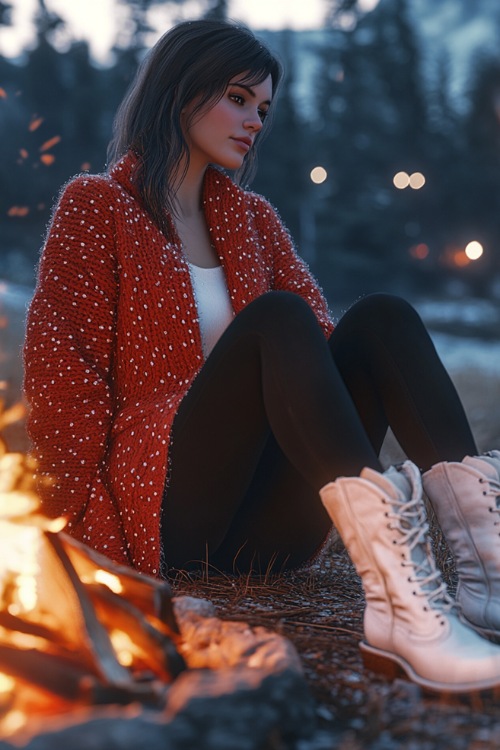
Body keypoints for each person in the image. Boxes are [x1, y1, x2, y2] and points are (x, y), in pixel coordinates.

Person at [23, 19, 500, 692]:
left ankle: (486, 568)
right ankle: (406, 611)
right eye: (239, 98)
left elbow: (324, 359)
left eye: (265, 108)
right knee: (278, 317)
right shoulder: (98, 207)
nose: (255, 121)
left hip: (269, 530)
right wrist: (89, 540)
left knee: (382, 318)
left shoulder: (254, 221)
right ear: (181, 90)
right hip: (164, 516)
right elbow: (62, 385)